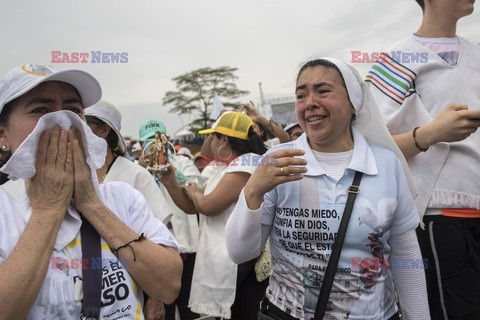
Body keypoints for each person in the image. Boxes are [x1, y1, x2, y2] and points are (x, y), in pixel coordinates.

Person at [225, 58, 430, 320]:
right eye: (301, 95)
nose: (310, 102)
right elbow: (240, 252)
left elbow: (405, 255)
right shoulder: (278, 162)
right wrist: (252, 191)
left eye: (323, 91)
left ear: (354, 103)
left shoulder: (386, 164)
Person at [0, 64, 182, 319]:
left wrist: (91, 204)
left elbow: (169, 285)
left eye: (73, 110)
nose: (62, 121)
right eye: (40, 110)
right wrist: (49, 208)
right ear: (3, 134)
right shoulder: (5, 208)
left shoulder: (123, 197)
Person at [366, 1, 480, 319]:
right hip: (439, 220)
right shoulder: (395, 60)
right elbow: (367, 149)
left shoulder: (477, 54)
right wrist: (430, 133)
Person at [159, 111, 268, 319]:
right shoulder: (227, 167)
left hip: (239, 265)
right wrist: (170, 182)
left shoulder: (247, 163)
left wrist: (193, 192)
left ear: (224, 140)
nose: (209, 142)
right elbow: (192, 207)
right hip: (223, 261)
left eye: (213, 136)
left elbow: (207, 206)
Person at [85, 100, 176, 320]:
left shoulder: (135, 175)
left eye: (84, 122)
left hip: (136, 288)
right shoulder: (79, 175)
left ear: (104, 130)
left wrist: (155, 299)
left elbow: (163, 235)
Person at [138, 118, 202, 320]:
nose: (156, 146)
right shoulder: (136, 171)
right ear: (141, 146)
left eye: (159, 140)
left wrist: (172, 174)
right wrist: (143, 172)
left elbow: (198, 185)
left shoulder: (182, 162)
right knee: (162, 312)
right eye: (149, 142)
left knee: (189, 310)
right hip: (156, 254)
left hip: (188, 249)